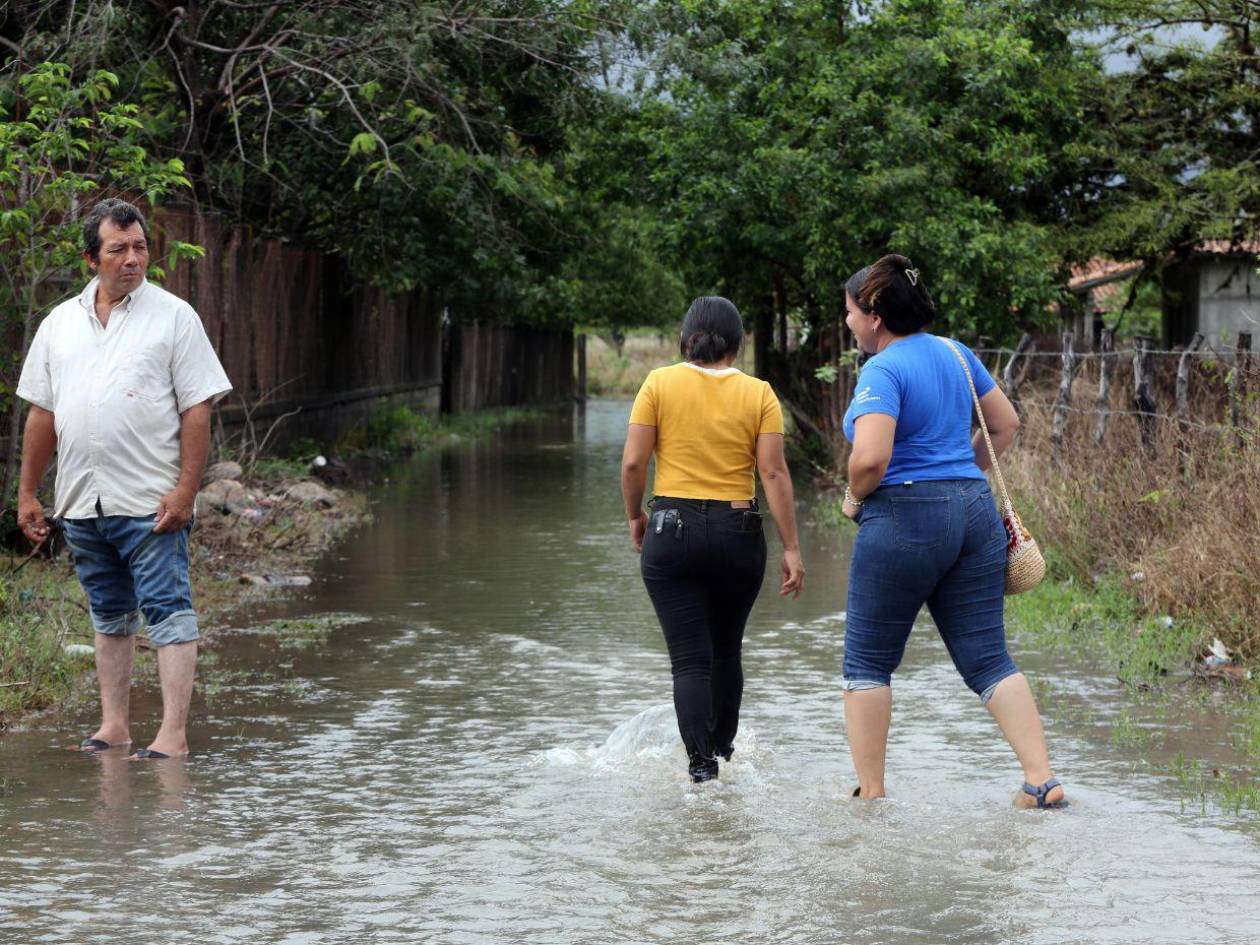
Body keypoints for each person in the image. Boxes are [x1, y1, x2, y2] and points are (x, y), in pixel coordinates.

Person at [839, 254, 1066, 809]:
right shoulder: (956, 353)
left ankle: (871, 797)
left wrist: (856, 494)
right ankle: (1042, 781)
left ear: (874, 315)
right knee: (989, 657)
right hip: (973, 511)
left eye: (848, 312)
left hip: (904, 516)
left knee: (867, 662)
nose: (846, 323)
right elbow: (1005, 424)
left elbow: (870, 459)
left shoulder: (883, 369)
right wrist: (960, 477)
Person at [16, 198, 233, 760]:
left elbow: (197, 409)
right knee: (109, 614)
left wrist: (186, 490)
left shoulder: (175, 317)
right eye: (119, 249)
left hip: (150, 501)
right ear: (93, 257)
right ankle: (114, 725)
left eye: (139, 246)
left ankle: (173, 734)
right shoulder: (59, 324)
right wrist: (27, 493)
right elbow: (42, 414)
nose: (133, 259)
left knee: (168, 610)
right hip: (83, 502)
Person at [621, 296, 805, 783]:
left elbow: (634, 464)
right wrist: (791, 547)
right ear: (738, 345)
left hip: (670, 531)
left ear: (686, 340)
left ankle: (700, 767)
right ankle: (723, 754)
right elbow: (772, 471)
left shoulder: (658, 383)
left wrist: (635, 516)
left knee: (689, 660)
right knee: (726, 651)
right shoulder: (760, 394)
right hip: (737, 532)